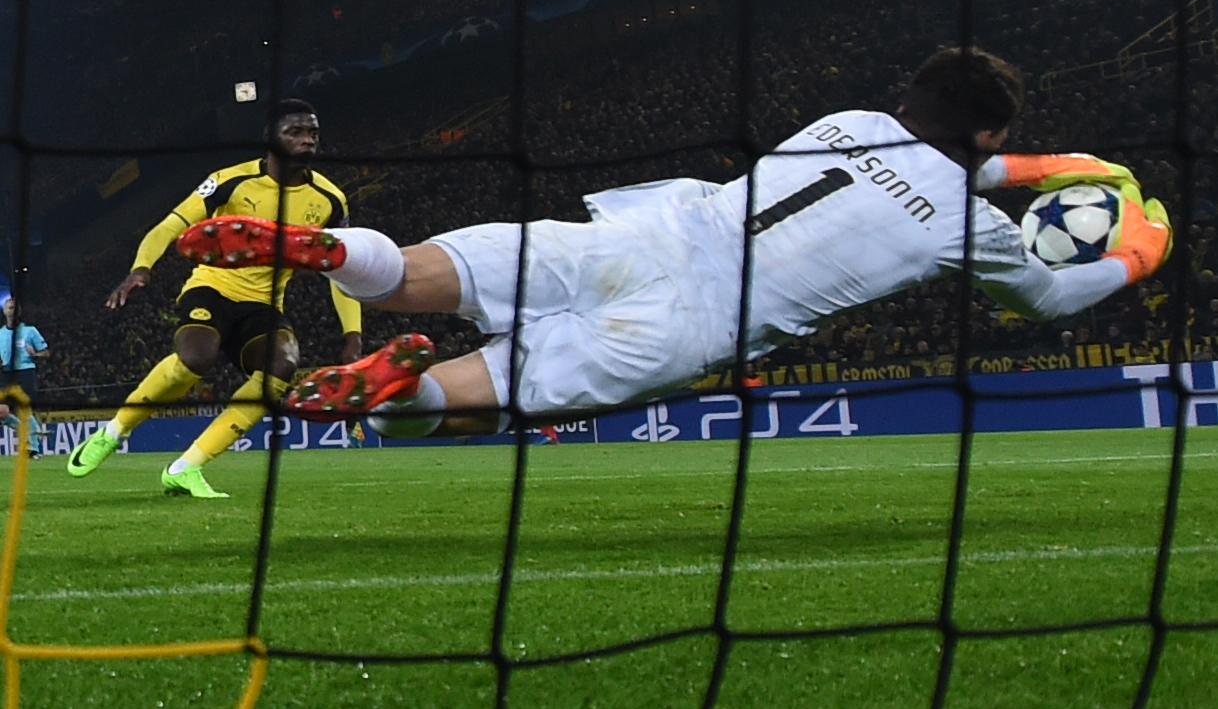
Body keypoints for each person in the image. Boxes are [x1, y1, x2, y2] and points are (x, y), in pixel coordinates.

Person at [176, 48, 1173, 438]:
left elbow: (955, 159)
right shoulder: (968, 224)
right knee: (483, 398)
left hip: (647, 231)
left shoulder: (848, 120)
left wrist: (1053, 163)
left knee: (440, 271)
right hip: (694, 322)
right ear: (988, 136)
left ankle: (341, 254)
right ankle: (408, 390)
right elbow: (1041, 298)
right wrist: (1139, 244)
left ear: (912, 99)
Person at [67, 99, 363, 497]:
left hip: (264, 307)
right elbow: (171, 224)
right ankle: (113, 430)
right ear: (269, 138)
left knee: (280, 370)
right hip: (212, 288)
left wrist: (353, 336)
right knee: (196, 359)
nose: (306, 140)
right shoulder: (230, 181)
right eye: (294, 132)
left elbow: (339, 269)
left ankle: (186, 467)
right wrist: (142, 267)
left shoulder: (330, 200)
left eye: (312, 132)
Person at [1, 297, 49, 458]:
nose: (11, 311)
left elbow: (46, 352)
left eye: (14, 308)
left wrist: (35, 354)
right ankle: (27, 432)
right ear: (4, 311)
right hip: (5, 374)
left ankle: (33, 448)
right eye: (9, 308)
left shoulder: (30, 331)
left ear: (18, 312)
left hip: (25, 372)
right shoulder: (0, 334)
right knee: (2, 412)